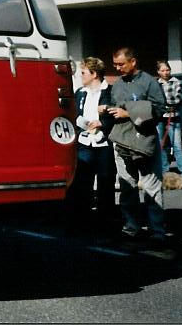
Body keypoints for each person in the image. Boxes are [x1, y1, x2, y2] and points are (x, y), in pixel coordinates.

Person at [102, 46, 168, 247]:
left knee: (151, 187)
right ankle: (131, 226)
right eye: (115, 64)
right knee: (127, 186)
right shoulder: (118, 84)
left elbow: (159, 109)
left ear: (133, 62)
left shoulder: (149, 82)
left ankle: (158, 232)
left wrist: (128, 113)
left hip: (144, 141)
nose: (118, 68)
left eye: (121, 64)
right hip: (122, 141)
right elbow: (115, 106)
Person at [66, 57, 117, 233]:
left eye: (83, 73)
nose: (80, 76)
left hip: (103, 144)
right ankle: (81, 222)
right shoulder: (80, 92)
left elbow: (115, 115)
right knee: (82, 182)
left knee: (105, 182)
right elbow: (74, 113)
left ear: (94, 74)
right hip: (84, 142)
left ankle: (105, 223)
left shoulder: (110, 92)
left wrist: (102, 122)